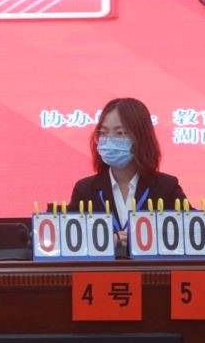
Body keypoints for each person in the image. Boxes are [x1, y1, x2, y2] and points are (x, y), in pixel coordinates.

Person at [69, 98, 188, 255]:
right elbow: (67, 241)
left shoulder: (165, 187)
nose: (109, 140)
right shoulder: (85, 190)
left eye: (119, 133)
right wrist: (105, 241)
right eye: (103, 133)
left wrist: (149, 240)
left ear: (140, 137)